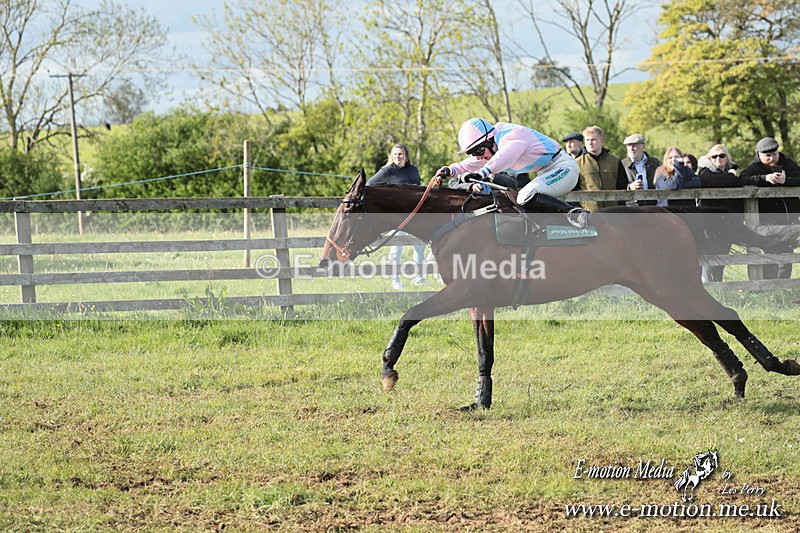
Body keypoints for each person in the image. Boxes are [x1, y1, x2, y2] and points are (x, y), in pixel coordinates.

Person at [433, 118, 589, 228]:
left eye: (479, 150)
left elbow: (505, 155)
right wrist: (450, 170)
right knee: (523, 205)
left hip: (563, 168)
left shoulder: (511, 135)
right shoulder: (492, 145)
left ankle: (575, 213)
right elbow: (471, 164)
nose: (479, 156)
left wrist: (483, 173)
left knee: (524, 196)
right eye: (473, 153)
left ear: (490, 140)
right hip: (547, 171)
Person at [367, 144, 428, 290]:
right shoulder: (386, 171)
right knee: (396, 248)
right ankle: (396, 280)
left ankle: (418, 277)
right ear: (391, 156)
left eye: (400, 154)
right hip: (396, 217)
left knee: (419, 246)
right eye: (395, 154)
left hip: (414, 215)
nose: (397, 157)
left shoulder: (413, 170)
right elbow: (369, 185)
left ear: (406, 155)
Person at [739, 137, 800, 280]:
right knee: (770, 252)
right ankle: (770, 287)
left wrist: (787, 181)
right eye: (768, 155)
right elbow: (741, 179)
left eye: (774, 154)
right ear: (759, 155)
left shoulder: (787, 163)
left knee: (786, 253)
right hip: (768, 220)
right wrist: (764, 178)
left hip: (789, 218)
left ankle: (782, 287)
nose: (772, 158)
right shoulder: (754, 168)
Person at [696, 144, 758, 282]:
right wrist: (731, 173)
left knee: (722, 257)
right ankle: (711, 288)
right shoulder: (705, 172)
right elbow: (716, 181)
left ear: (727, 158)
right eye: (714, 156)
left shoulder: (730, 173)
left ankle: (719, 287)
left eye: (722, 155)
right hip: (711, 224)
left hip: (728, 223)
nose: (718, 158)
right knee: (711, 257)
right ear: (710, 158)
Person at [575, 125, 628, 212]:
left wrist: (620, 209)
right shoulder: (577, 163)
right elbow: (573, 190)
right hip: (589, 213)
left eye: (593, 140)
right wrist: (580, 210)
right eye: (587, 140)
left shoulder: (615, 161)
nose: (590, 143)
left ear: (602, 141)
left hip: (613, 212)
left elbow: (622, 186)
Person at [621, 133, 661, 206]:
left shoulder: (655, 163)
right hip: (631, 207)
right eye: (628, 145)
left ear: (643, 146)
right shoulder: (622, 165)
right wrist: (629, 188)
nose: (631, 148)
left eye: (634, 145)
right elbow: (617, 187)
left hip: (653, 206)